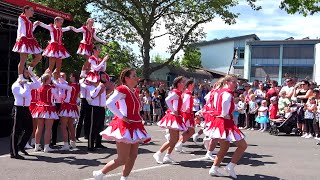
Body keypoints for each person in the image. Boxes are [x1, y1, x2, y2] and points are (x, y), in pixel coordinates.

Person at [93, 68, 150, 180]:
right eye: (133, 75)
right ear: (127, 78)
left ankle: (124, 178)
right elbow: (109, 103)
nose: (136, 77)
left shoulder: (134, 91)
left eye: (136, 75)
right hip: (124, 126)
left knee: (133, 156)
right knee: (122, 158)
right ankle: (100, 173)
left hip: (135, 125)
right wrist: (122, 116)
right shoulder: (122, 90)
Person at [205, 74, 246, 178]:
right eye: (233, 82)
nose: (236, 84)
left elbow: (208, 99)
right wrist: (224, 113)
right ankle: (230, 166)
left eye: (236, 82)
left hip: (218, 120)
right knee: (242, 146)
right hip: (225, 122)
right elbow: (225, 102)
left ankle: (214, 168)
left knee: (224, 147)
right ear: (227, 82)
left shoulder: (217, 92)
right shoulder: (227, 93)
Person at [154, 76, 187, 164]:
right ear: (179, 83)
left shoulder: (179, 92)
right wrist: (174, 110)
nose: (184, 84)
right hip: (173, 117)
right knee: (173, 140)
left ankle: (167, 156)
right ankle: (158, 153)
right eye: (183, 82)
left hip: (176, 116)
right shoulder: (176, 92)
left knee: (175, 139)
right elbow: (167, 100)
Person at [10, 68, 41, 159]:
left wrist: (32, 76)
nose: (27, 74)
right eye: (26, 72)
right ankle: (13, 152)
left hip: (26, 109)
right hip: (18, 109)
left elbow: (38, 85)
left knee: (30, 129)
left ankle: (21, 145)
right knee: (16, 131)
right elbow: (24, 94)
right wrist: (26, 84)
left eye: (28, 72)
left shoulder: (27, 84)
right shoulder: (16, 85)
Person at [32, 74, 61, 152]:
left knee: (39, 128)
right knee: (48, 128)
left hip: (39, 107)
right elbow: (57, 98)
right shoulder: (51, 88)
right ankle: (46, 147)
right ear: (47, 80)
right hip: (49, 108)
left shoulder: (38, 87)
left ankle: (36, 146)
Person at [12, 5, 42, 81]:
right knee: (23, 60)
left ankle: (30, 68)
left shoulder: (29, 21)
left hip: (31, 40)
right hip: (24, 39)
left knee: (39, 56)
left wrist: (35, 24)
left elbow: (30, 31)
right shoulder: (21, 18)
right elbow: (20, 28)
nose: (33, 12)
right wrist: (19, 37)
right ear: (26, 10)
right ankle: (20, 77)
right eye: (31, 10)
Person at [86, 72, 111, 151]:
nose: (104, 78)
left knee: (100, 126)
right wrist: (99, 87)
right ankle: (90, 145)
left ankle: (98, 143)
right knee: (93, 126)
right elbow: (92, 96)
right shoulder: (93, 86)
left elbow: (104, 96)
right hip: (95, 107)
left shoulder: (103, 86)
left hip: (102, 108)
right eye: (102, 76)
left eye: (105, 76)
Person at [58, 73, 80, 150]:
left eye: (71, 76)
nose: (70, 77)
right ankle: (73, 143)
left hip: (67, 106)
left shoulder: (70, 87)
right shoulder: (77, 86)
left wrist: (53, 79)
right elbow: (65, 83)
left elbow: (59, 85)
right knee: (71, 126)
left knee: (63, 126)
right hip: (73, 107)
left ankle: (66, 144)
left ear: (74, 77)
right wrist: (60, 78)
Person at [175, 79, 196, 152]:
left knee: (188, 131)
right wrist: (187, 108)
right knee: (191, 131)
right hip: (187, 114)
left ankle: (179, 144)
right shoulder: (187, 93)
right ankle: (179, 144)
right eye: (193, 85)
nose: (193, 86)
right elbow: (185, 104)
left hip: (186, 113)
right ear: (190, 85)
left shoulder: (185, 92)